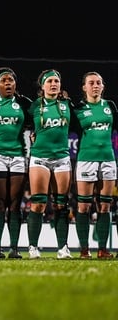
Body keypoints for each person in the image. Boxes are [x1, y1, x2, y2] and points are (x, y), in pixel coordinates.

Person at [0, 67, 32, 259]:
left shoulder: (24, 103)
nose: (8, 83)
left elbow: (41, 112)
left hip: (18, 156)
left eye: (11, 80)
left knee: (15, 204)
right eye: (4, 80)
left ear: (15, 84)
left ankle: (14, 249)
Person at [26, 69, 74, 259]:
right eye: (50, 81)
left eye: (57, 81)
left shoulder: (68, 105)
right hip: (40, 157)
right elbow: (20, 122)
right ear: (42, 85)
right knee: (38, 203)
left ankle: (63, 248)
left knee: (61, 204)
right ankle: (32, 247)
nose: (54, 84)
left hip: (62, 158)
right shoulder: (33, 106)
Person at [71, 72, 117, 259]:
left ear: (103, 86)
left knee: (105, 207)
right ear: (84, 87)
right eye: (91, 83)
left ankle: (103, 249)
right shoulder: (78, 109)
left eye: (99, 82)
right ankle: (84, 249)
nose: (95, 86)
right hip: (86, 159)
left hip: (108, 159)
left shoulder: (110, 106)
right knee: (84, 206)